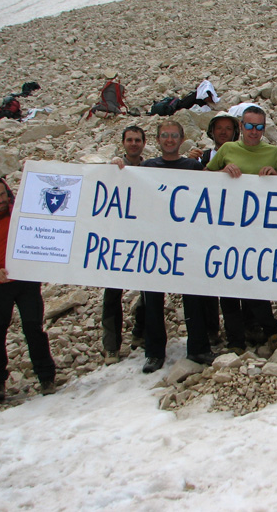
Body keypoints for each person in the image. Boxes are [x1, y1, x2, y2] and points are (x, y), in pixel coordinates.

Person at [205, 105, 277, 353]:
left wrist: (275, 175)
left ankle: (270, 329)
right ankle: (235, 341)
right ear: (241, 127)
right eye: (250, 126)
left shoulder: (273, 152)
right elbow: (202, 180)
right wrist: (221, 172)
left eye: (259, 127)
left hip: (259, 231)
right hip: (228, 228)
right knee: (228, 282)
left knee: (254, 280)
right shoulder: (228, 149)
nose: (254, 132)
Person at [0, 177, 56, 402]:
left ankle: (46, 377)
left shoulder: (20, 212)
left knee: (34, 328)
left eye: (2, 195)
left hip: (27, 281)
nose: (0, 200)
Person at [139, 120, 216, 373]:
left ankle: (198, 347)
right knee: (152, 301)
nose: (169, 140)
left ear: (182, 139)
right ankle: (154, 353)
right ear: (158, 139)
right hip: (156, 241)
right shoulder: (147, 167)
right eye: (165, 136)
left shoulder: (193, 166)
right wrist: (117, 167)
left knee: (193, 297)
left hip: (187, 242)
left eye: (174, 135)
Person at [102, 126, 148, 364]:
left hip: (143, 239)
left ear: (144, 143)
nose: (133, 143)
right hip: (116, 240)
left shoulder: (151, 169)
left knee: (147, 292)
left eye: (137, 140)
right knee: (112, 295)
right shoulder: (114, 169)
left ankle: (139, 333)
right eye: (129, 140)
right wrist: (110, 170)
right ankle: (111, 346)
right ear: (123, 142)